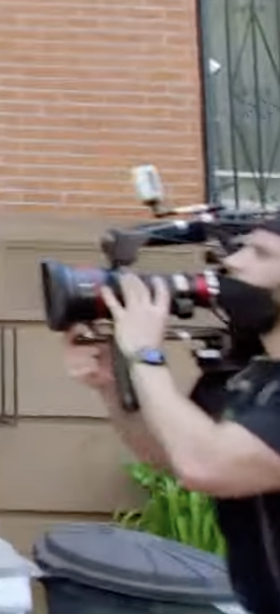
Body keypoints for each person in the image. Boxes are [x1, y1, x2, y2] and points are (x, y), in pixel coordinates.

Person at [66, 216, 280, 612]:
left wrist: (146, 355)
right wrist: (111, 384)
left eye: (261, 253)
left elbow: (208, 466)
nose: (234, 263)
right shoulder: (249, 374)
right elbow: (168, 455)